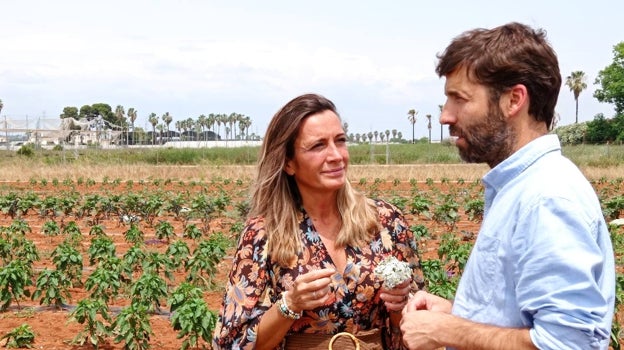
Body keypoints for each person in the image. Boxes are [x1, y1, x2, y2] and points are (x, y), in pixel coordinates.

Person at [401, 22, 615, 350]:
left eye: (459, 99)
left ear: (513, 100)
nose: (445, 116)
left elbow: (568, 343)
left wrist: (447, 332)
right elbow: (518, 319)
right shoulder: (522, 187)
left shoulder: (547, 197)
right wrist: (455, 316)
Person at [212, 93, 424, 350]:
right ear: (289, 163)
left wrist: (399, 305)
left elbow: (418, 327)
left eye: (340, 141)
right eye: (318, 146)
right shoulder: (264, 234)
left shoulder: (385, 222)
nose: (336, 155)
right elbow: (232, 342)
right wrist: (290, 304)